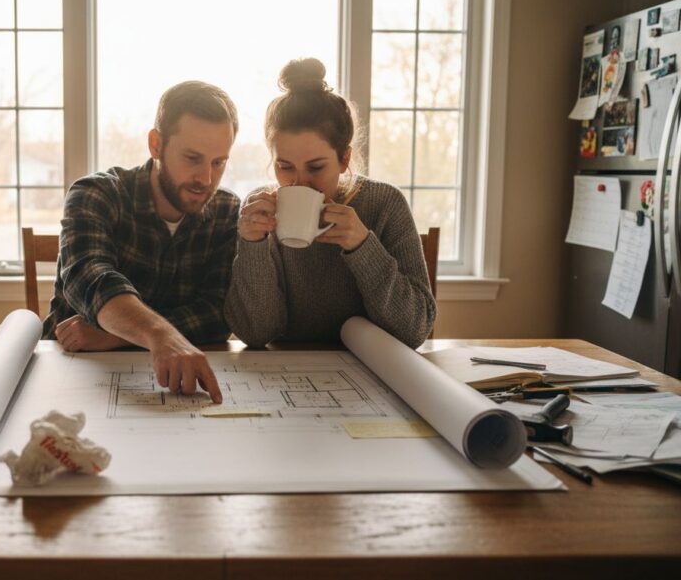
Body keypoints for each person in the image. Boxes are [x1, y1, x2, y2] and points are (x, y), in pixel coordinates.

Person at [43, 81, 242, 403]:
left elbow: (218, 314)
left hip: (173, 383)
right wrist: (159, 335)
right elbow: (90, 278)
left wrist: (118, 336)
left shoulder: (227, 211)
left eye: (219, 162)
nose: (206, 179)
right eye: (192, 158)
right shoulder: (96, 194)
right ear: (155, 145)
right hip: (70, 372)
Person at [225, 58, 436, 348]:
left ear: (344, 159)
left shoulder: (384, 204)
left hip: (373, 373)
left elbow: (415, 329)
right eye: (285, 166)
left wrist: (363, 246)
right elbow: (257, 333)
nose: (299, 183)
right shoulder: (261, 209)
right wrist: (253, 246)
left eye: (315, 167)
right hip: (286, 374)